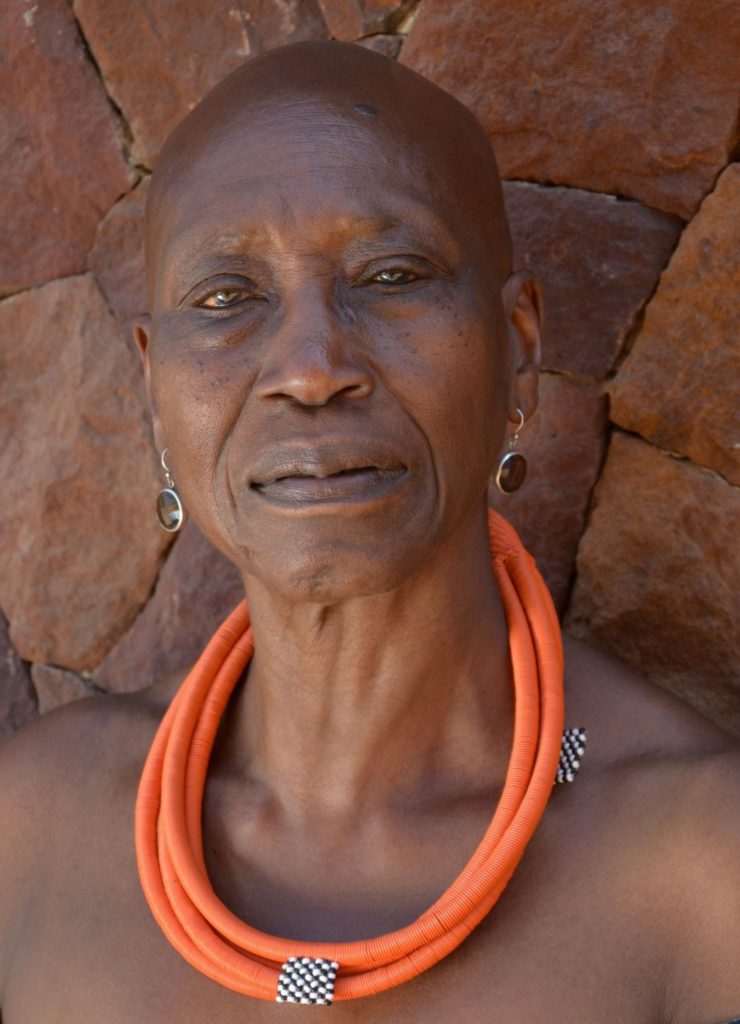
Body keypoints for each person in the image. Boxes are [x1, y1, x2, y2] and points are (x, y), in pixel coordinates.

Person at [0, 40, 738, 1024]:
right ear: (152, 388)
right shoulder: (34, 826)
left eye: (389, 274)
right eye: (225, 297)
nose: (309, 366)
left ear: (517, 355)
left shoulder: (699, 868)